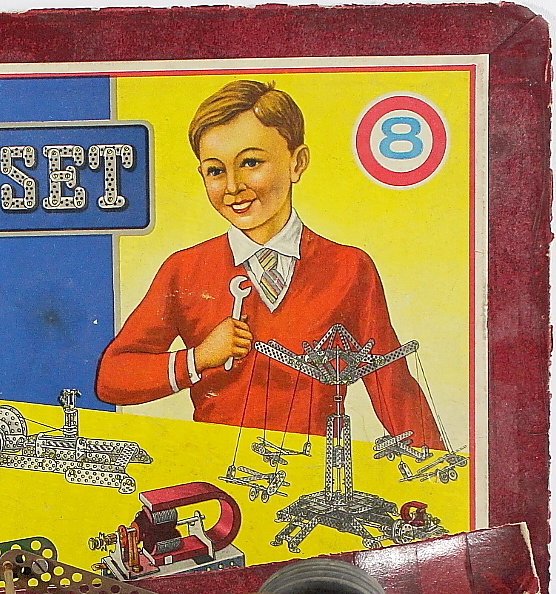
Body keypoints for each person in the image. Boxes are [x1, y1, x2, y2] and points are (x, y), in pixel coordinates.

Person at [95, 80, 445, 451]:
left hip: (314, 468)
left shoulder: (348, 268)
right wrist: (198, 358)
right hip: (218, 465)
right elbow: (112, 378)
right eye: (215, 171)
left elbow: (391, 384)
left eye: (250, 163)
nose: (233, 186)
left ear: (297, 163)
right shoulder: (184, 270)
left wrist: (434, 468)